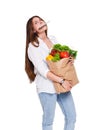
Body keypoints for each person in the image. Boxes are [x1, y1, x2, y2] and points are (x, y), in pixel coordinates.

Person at [25, 15, 76, 130]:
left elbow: (59, 60)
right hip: (47, 87)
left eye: (41, 20)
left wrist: (69, 59)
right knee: (48, 121)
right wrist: (62, 81)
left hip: (61, 85)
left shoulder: (53, 39)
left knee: (71, 116)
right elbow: (43, 71)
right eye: (37, 22)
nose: (41, 22)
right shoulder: (32, 46)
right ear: (33, 30)